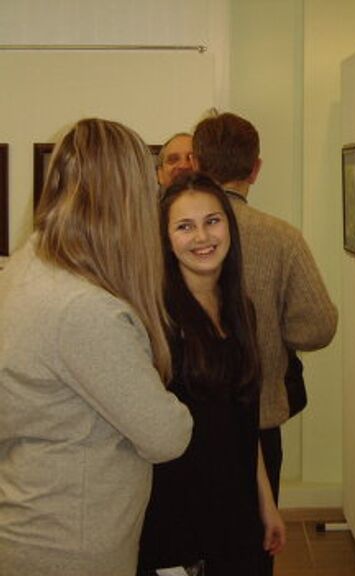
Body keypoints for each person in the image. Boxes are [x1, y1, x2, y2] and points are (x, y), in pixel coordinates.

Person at [0, 118, 193, 576]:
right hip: (70, 544)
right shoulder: (83, 309)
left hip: (33, 516)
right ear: (123, 199)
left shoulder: (28, 264)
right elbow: (167, 437)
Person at [193, 112, 337, 574]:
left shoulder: (166, 232)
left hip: (184, 421)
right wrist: (275, 333)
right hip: (258, 418)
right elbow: (318, 327)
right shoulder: (281, 237)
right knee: (252, 552)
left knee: (192, 548)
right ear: (256, 168)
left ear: (195, 163)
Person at [137, 173, 286, 575]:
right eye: (184, 226)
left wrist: (266, 503)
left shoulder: (242, 309)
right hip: (176, 522)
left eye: (212, 221)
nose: (202, 237)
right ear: (166, 239)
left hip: (236, 515)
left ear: (230, 227)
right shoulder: (155, 318)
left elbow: (244, 418)